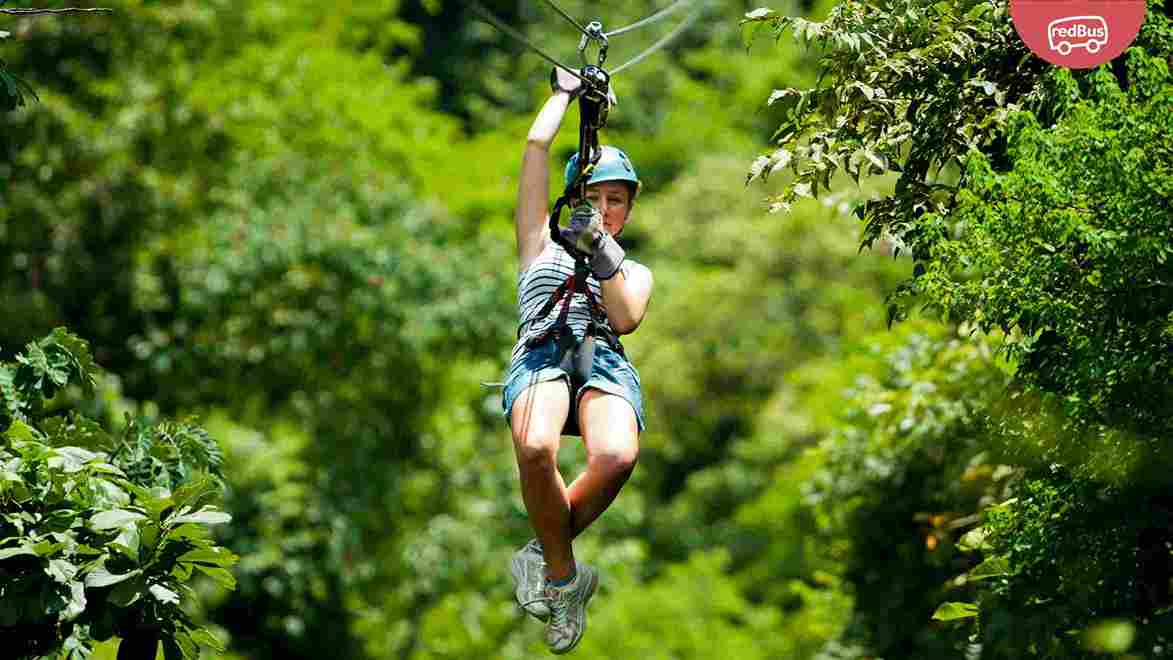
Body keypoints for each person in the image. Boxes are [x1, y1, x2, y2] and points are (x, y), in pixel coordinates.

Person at [502, 65, 653, 654]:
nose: (604, 207)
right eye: (593, 197)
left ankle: (544, 551)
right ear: (573, 200)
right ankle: (566, 580)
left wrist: (602, 250)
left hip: (602, 359)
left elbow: (626, 317)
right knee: (536, 447)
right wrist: (564, 96)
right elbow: (537, 147)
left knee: (617, 455)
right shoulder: (538, 242)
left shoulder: (634, 269)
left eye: (616, 200)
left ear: (628, 212)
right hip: (544, 350)